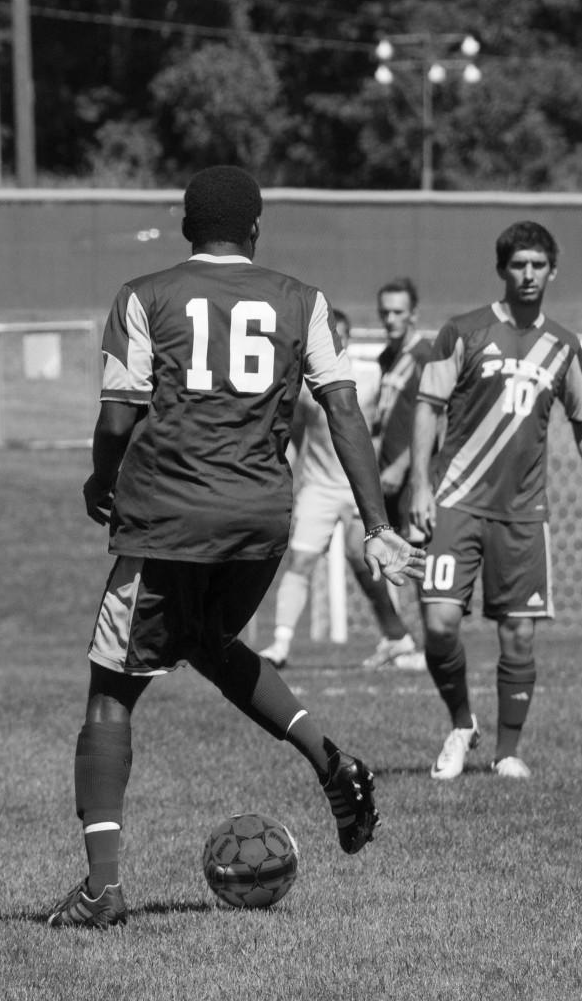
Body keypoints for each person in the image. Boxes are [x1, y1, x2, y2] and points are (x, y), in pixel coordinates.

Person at [47, 166, 425, 929]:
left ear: (188, 226)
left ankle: (102, 890)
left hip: (169, 520)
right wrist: (378, 526)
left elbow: (119, 419)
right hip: (259, 522)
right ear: (256, 228)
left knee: (111, 693)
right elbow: (344, 413)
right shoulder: (304, 300)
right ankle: (331, 759)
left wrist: (99, 480)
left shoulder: (144, 295)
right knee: (210, 643)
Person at [409, 220, 582, 781]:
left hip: (524, 512)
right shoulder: (462, 332)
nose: (528, 274)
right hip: (455, 500)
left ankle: (506, 753)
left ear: (553, 270)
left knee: (519, 633)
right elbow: (428, 405)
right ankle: (460, 723)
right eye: (518, 265)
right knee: (440, 623)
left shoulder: (565, 348)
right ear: (502, 270)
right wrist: (422, 486)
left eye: (538, 265)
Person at [259, 310, 422, 669]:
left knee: (365, 562)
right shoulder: (303, 389)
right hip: (318, 488)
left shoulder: (371, 377)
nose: (338, 341)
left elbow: (378, 429)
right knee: (300, 562)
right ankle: (281, 645)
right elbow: (297, 435)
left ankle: (397, 637)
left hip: (356, 489)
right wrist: (281, 473)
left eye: (342, 335)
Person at [363, 277, 433, 669]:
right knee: (384, 560)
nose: (390, 319)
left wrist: (402, 465)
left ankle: (431, 646)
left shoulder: (424, 356)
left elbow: (435, 419)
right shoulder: (386, 358)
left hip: (414, 481)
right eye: (384, 312)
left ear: (413, 315)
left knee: (419, 561)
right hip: (385, 479)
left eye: (397, 312)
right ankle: (397, 640)